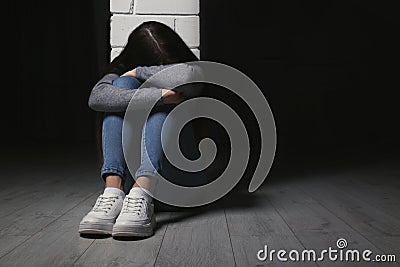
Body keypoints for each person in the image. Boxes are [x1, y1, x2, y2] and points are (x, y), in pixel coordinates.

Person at [79, 21, 203, 237]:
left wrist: (140, 72)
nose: (163, 72)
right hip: (130, 196)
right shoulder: (120, 74)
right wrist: (158, 96)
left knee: (162, 98)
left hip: (182, 183)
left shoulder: (196, 73)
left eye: (168, 67)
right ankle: (113, 191)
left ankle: (143, 188)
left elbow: (185, 77)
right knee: (120, 89)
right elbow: (97, 97)